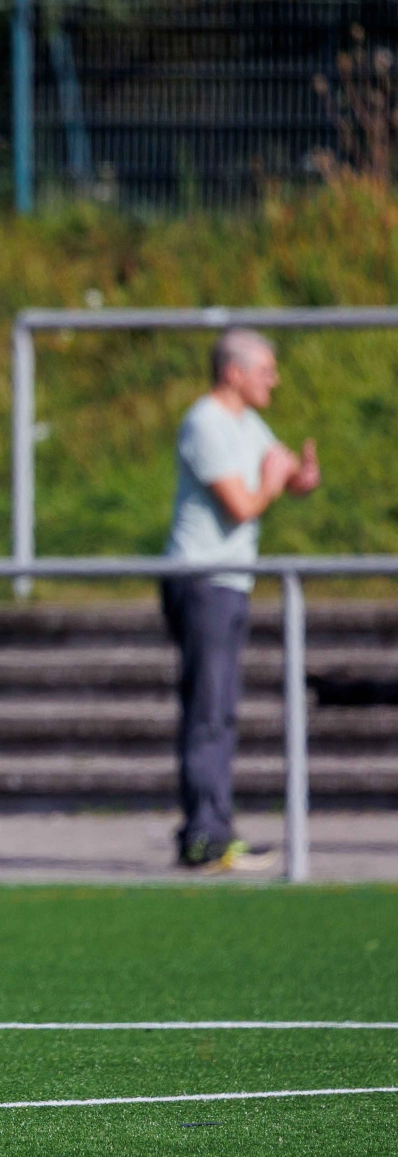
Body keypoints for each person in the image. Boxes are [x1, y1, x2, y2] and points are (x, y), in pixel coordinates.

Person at [162, 327, 319, 871]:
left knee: (222, 709)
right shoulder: (204, 422)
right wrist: (273, 483)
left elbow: (278, 472)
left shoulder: (247, 423)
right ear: (234, 373)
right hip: (201, 580)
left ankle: (215, 829)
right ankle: (203, 838)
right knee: (208, 709)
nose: (274, 381)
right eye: (266, 371)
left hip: (231, 581)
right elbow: (243, 505)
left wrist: (300, 479)